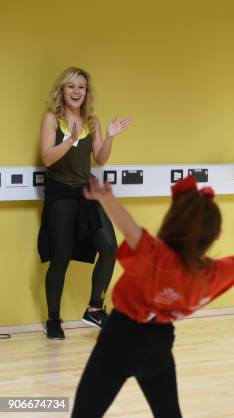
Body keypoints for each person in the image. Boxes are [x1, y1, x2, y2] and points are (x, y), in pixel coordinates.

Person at [70, 176, 234, 417]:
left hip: (120, 340)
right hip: (158, 347)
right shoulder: (211, 275)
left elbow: (131, 231)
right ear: (214, 235)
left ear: (171, 221)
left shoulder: (157, 257)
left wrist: (106, 199)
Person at [37, 67, 131, 340]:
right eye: (71, 87)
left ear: (86, 92)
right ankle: (53, 319)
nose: (77, 91)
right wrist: (71, 141)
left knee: (110, 247)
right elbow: (46, 157)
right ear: (62, 91)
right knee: (61, 257)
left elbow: (100, 159)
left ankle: (95, 308)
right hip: (60, 194)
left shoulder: (92, 120)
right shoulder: (51, 119)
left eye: (81, 87)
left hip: (86, 192)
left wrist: (110, 135)